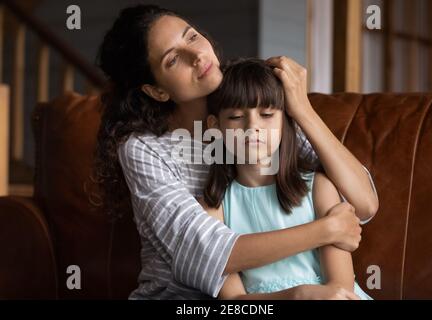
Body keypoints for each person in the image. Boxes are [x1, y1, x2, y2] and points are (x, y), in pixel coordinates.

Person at [95, 4, 378, 299]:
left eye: (191, 37)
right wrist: (326, 230)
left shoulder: (253, 102)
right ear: (157, 91)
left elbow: (364, 204)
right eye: (174, 59)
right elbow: (205, 255)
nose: (198, 55)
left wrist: (302, 109)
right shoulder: (144, 149)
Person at [200, 58, 372, 300]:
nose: (253, 126)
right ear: (214, 126)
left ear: (286, 121)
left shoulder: (318, 187)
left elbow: (340, 288)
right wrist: (298, 295)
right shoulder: (215, 205)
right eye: (237, 117)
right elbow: (234, 301)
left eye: (267, 114)